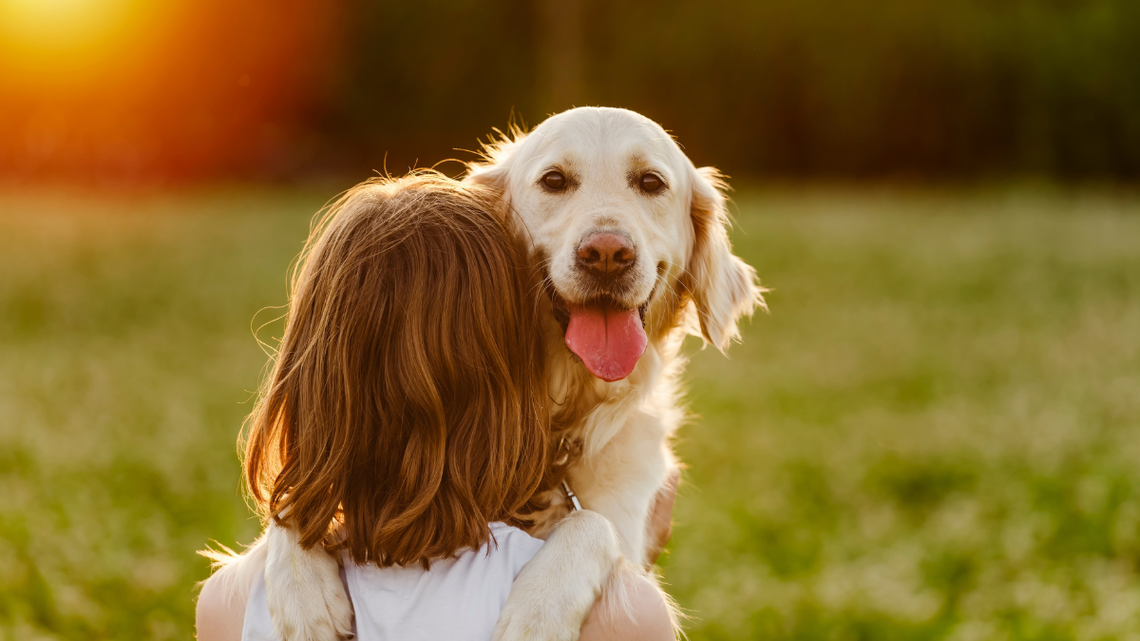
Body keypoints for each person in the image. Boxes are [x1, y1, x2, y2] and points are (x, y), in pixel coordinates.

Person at [196, 173, 676, 641]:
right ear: (508, 372)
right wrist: (625, 576)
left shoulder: (227, 605)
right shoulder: (623, 616)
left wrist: (296, 523)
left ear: (306, 376)